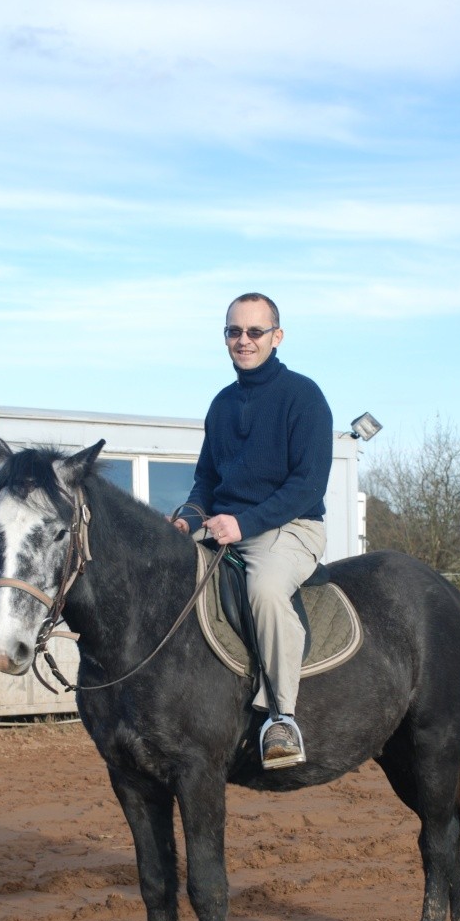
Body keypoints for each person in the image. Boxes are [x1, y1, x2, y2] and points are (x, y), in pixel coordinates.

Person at [172, 292, 333, 768]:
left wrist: (244, 522)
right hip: (223, 528)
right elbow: (206, 480)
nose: (243, 341)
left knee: (263, 588)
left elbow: (307, 486)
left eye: (254, 332)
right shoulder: (221, 405)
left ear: (276, 337)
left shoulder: (303, 397)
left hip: (290, 527)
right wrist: (187, 517)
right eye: (233, 332)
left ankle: (282, 717)